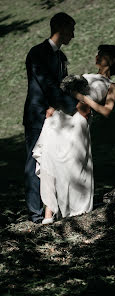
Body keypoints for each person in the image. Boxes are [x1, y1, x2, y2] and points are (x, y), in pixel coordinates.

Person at [32, 45, 115, 224]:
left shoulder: (111, 86)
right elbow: (64, 94)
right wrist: (53, 107)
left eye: (102, 54)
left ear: (112, 60)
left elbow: (106, 111)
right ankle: (48, 215)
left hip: (78, 125)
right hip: (59, 120)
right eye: (97, 53)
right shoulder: (85, 77)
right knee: (50, 159)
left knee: (72, 165)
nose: (97, 56)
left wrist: (84, 99)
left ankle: (73, 209)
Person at [23, 12, 89, 223]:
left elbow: (61, 86)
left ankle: (51, 207)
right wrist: (74, 107)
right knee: (35, 161)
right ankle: (35, 213)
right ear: (61, 28)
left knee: (52, 162)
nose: (74, 35)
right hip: (38, 114)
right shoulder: (37, 53)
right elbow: (48, 85)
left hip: (55, 117)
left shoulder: (61, 57)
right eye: (72, 29)